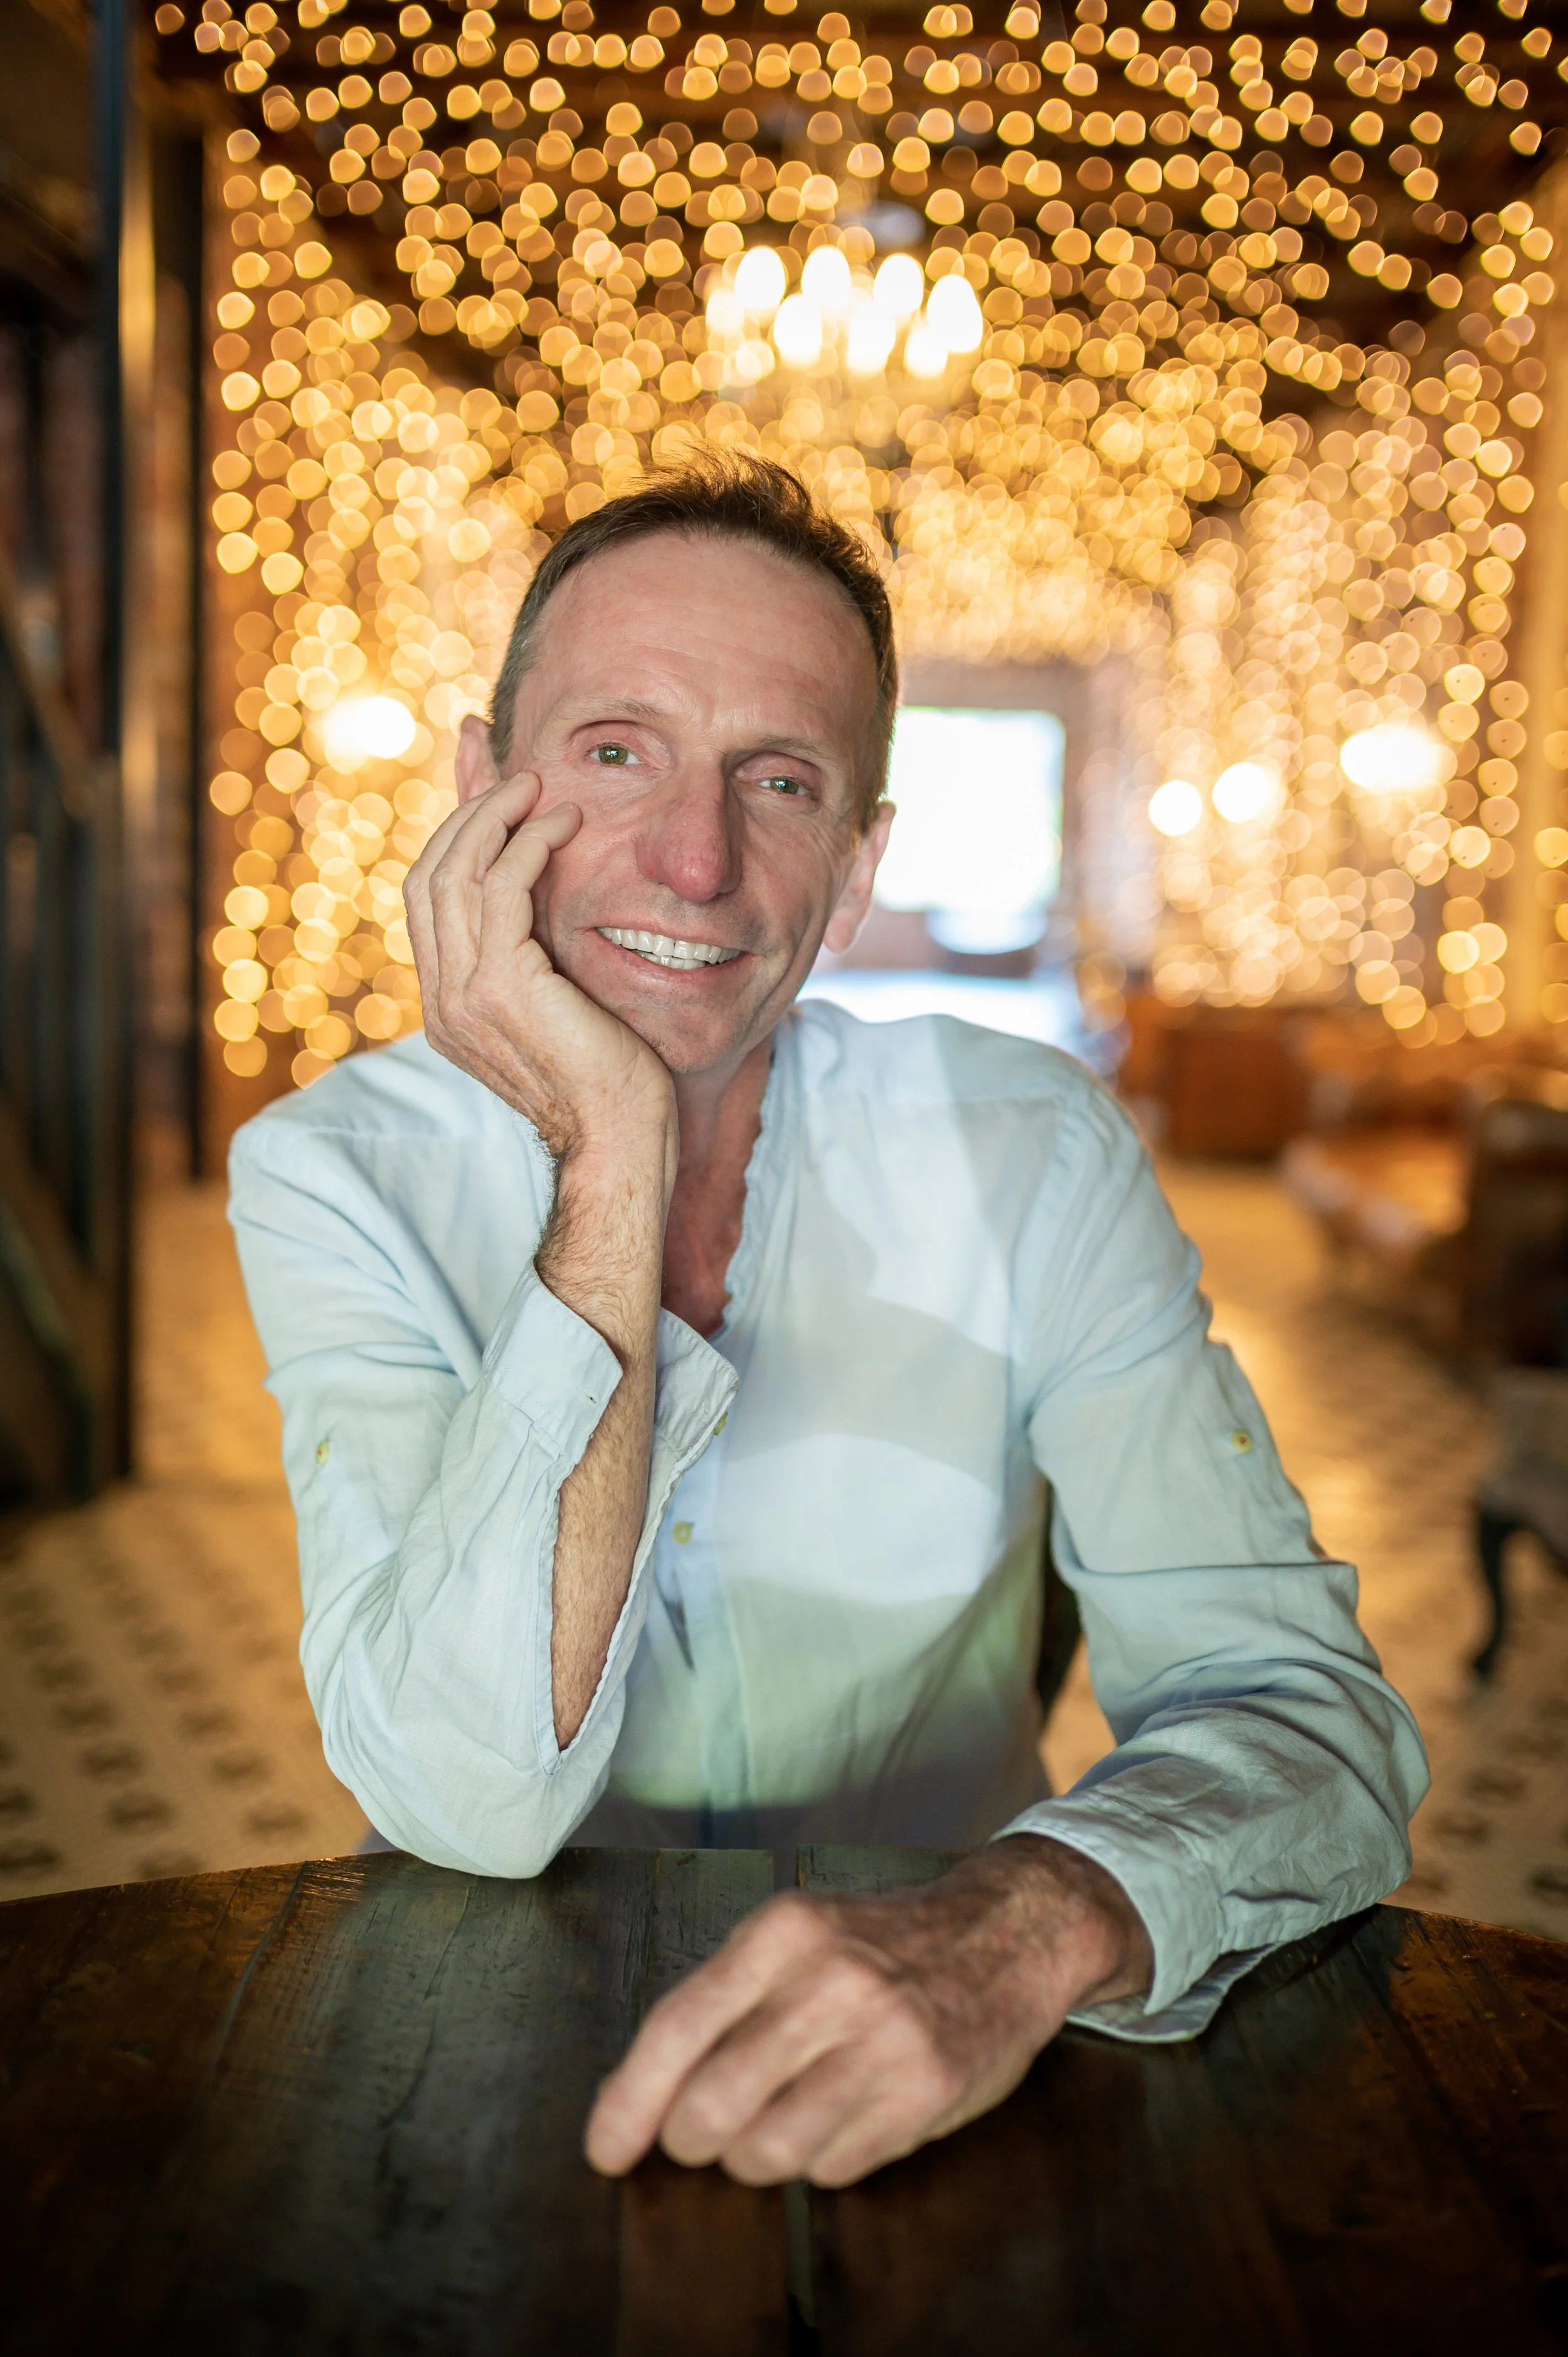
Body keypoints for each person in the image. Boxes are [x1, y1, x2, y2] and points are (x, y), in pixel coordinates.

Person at [230, 454, 1428, 2191]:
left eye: (776, 780)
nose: (695, 857)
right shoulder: (331, 1172)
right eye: (616, 748)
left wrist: (1030, 1917)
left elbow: (1306, 1710)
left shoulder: (1032, 1146)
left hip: (969, 2051)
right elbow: (469, 1792)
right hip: (487, 2063)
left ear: (853, 866)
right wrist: (613, 1145)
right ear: (481, 791)